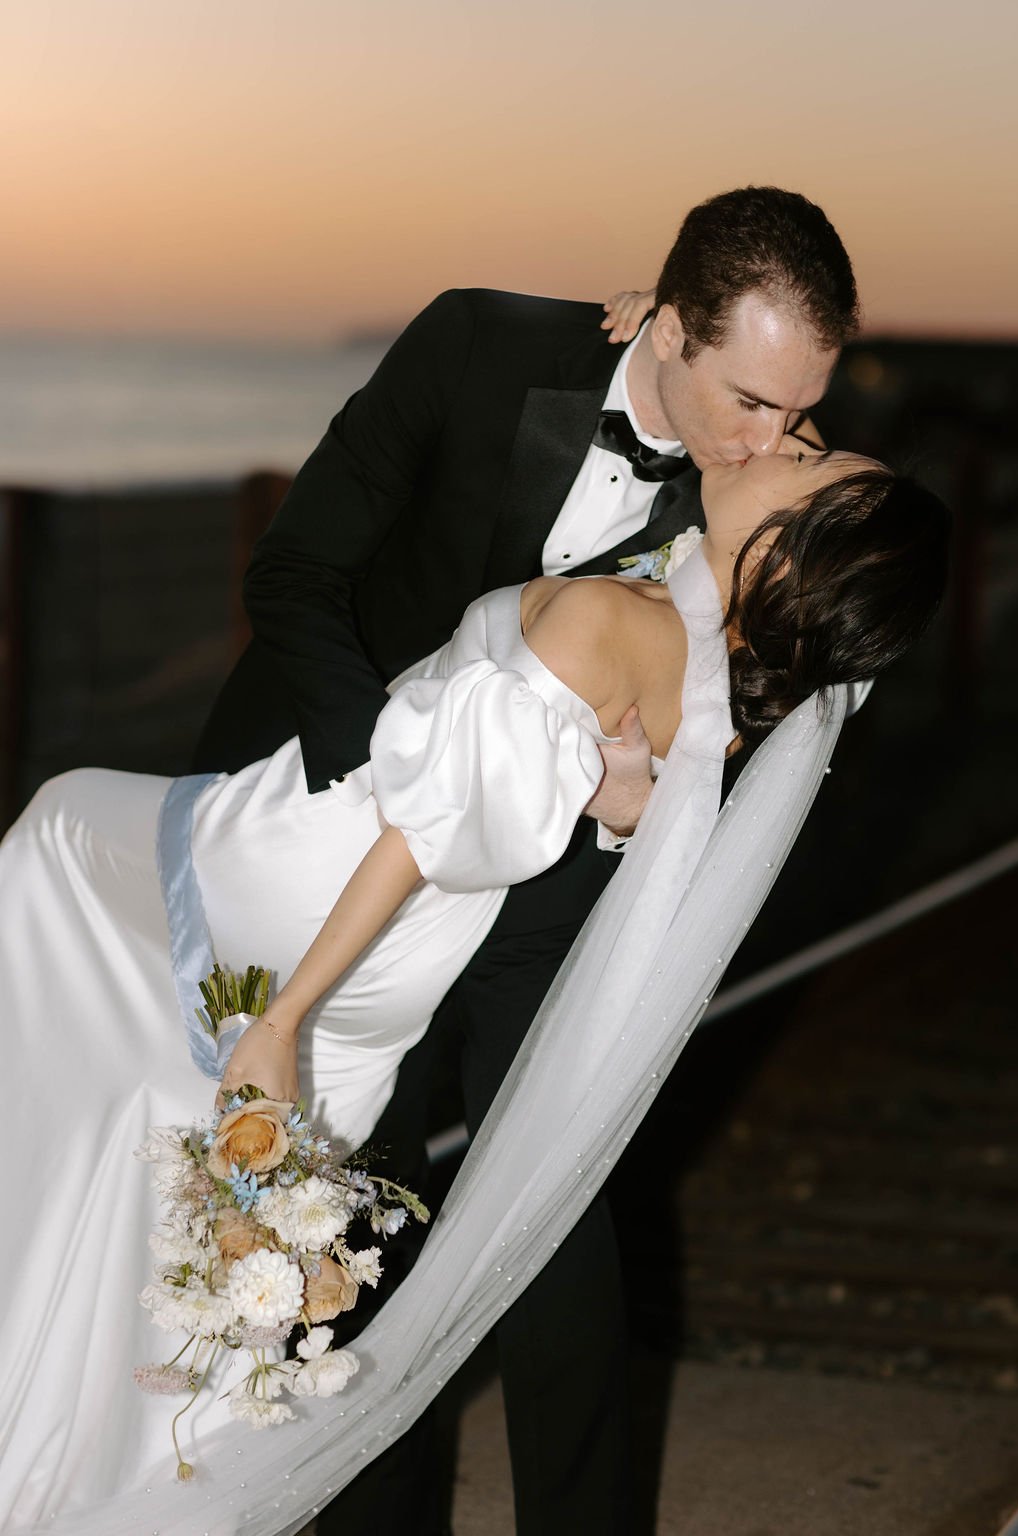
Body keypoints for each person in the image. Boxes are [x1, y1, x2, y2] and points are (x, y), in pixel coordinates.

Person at [0, 437, 948, 1536]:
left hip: (332, 876)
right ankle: (96, 1430)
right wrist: (623, 802)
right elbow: (623, 804)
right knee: (170, 1112)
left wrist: (287, 1017)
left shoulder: (619, 622)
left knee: (58, 833)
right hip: (409, 966)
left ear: (789, 556)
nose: (787, 439)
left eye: (811, 462)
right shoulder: (716, 680)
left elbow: (423, 826)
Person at [189, 185, 862, 1535]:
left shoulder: (767, 478)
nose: (773, 440)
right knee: (356, 1192)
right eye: (751, 402)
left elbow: (743, 704)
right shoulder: (479, 350)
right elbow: (299, 573)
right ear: (665, 326)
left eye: (801, 414)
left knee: (552, 1199)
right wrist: (396, 776)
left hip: (558, 868)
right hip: (348, 804)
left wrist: (625, 808)